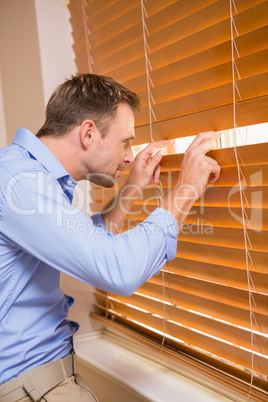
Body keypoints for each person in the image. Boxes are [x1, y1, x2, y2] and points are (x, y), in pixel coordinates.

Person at [0, 74, 221, 401]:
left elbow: (84, 243)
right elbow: (117, 270)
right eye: (126, 141)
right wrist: (186, 189)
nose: (131, 155)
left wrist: (132, 188)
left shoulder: (21, 172)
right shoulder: (20, 183)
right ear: (89, 133)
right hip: (30, 388)